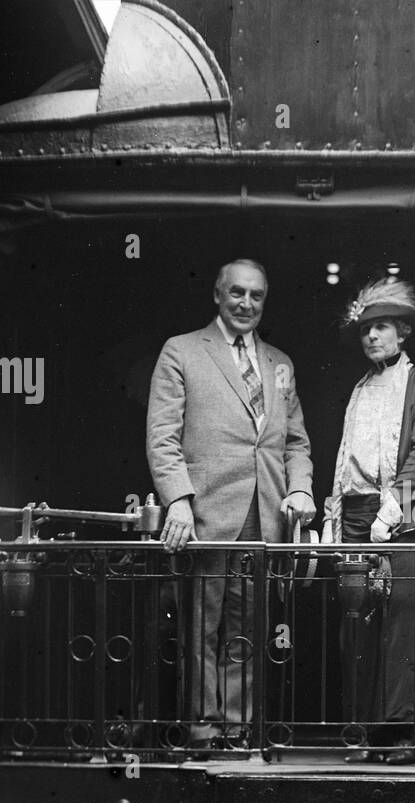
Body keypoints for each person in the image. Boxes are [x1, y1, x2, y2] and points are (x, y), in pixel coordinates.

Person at [147, 259, 315, 745]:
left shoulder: (280, 363)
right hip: (204, 515)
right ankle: (202, 730)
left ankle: (238, 731)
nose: (246, 304)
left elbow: (296, 443)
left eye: (256, 296)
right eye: (237, 293)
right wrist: (177, 499)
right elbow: (162, 437)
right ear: (218, 295)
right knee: (200, 630)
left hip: (264, 517)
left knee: (247, 633)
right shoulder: (181, 351)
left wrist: (300, 487)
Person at [326, 278, 415, 765]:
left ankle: (405, 734)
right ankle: (365, 732)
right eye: (365, 329)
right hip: (359, 515)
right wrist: (336, 517)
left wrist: (393, 508)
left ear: (402, 332)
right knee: (359, 625)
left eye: (381, 327)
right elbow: (345, 462)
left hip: (410, 518)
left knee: (406, 621)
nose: (372, 337)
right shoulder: (360, 389)